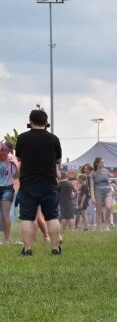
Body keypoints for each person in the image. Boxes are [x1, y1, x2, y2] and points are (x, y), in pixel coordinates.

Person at [16, 109, 63, 256]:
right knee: (52, 217)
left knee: (27, 217)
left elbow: (18, 158)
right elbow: (59, 160)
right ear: (46, 122)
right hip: (48, 183)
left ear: (31, 121)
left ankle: (28, 249)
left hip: (28, 183)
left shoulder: (23, 138)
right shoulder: (53, 139)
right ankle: (55, 248)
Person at [0, 142, 19, 244]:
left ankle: (6, 239)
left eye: (5, 152)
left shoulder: (11, 159)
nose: (3, 154)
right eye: (1, 151)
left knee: (4, 213)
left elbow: (17, 175)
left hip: (7, 189)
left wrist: (14, 165)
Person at [89, 157, 113, 232]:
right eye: (102, 162)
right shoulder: (92, 173)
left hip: (107, 190)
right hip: (98, 191)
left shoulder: (106, 171)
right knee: (98, 211)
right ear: (97, 163)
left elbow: (109, 180)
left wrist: (111, 185)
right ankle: (99, 228)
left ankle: (106, 225)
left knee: (108, 207)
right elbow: (91, 186)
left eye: (103, 162)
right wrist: (92, 196)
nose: (103, 163)